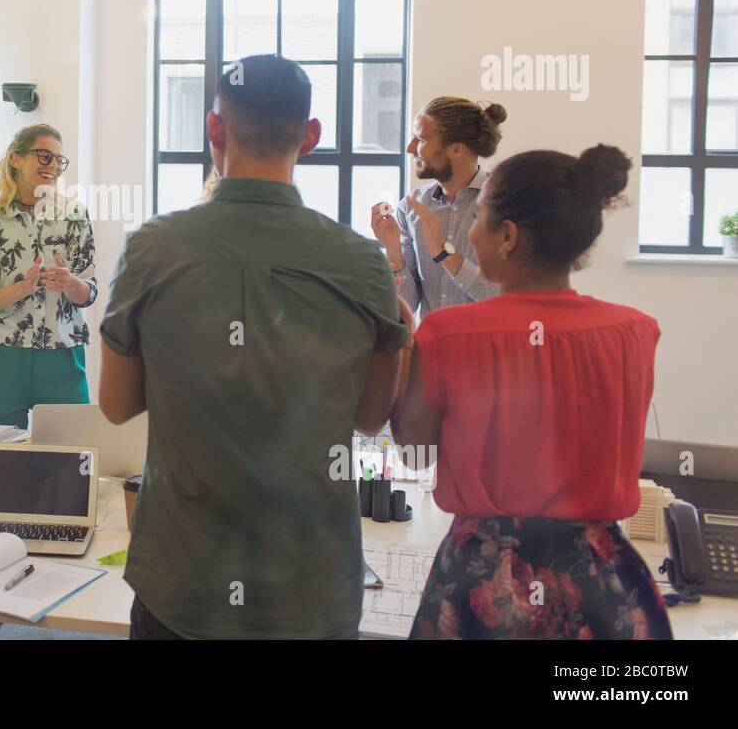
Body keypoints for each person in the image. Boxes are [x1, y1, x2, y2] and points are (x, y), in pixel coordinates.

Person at [98, 55, 413, 639]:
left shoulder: (150, 249)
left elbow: (116, 405)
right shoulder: (362, 263)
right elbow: (371, 420)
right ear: (312, 136)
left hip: (183, 579)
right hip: (310, 583)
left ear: (215, 131)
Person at [392, 144, 672, 640]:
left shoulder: (447, 335)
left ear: (508, 237)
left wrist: (400, 349)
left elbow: (414, 454)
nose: (470, 232)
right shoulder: (634, 332)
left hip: (484, 579)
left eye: (477, 218)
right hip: (603, 578)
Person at [0, 123, 97, 428]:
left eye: (59, 160)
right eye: (44, 156)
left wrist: (71, 284)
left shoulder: (75, 215)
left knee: (72, 456)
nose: (53, 167)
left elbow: (89, 294)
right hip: (3, 357)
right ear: (16, 159)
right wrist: (22, 289)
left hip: (63, 356)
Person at [372, 97, 507, 317]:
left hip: (486, 349)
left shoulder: (505, 203)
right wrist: (394, 253)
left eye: (421, 139)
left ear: (456, 150)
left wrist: (444, 254)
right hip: (430, 349)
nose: (410, 148)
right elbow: (406, 306)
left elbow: (506, 297)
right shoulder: (410, 208)